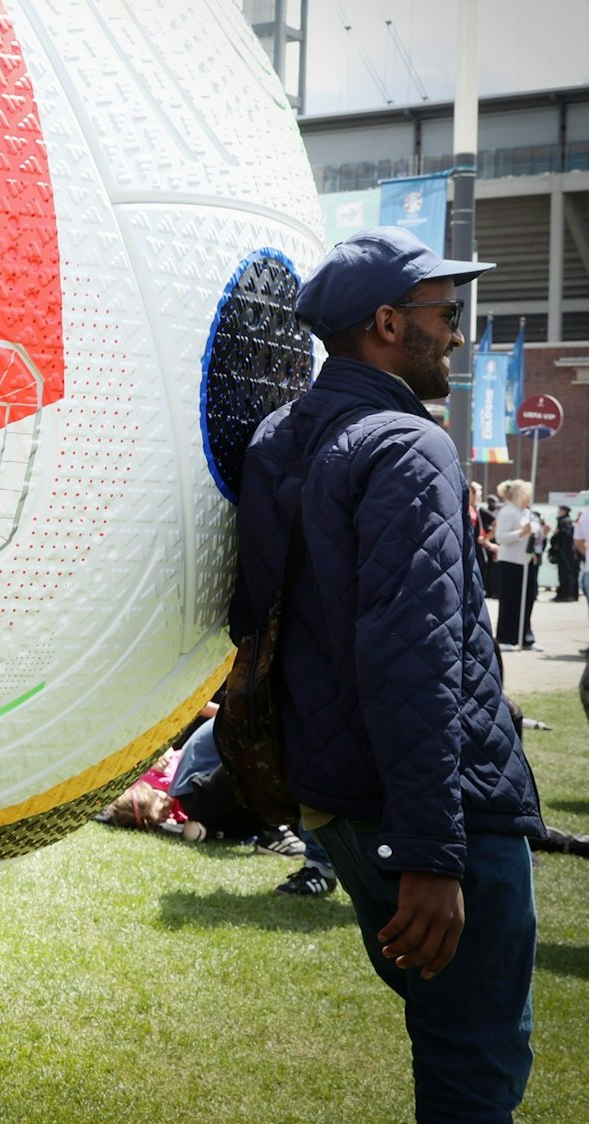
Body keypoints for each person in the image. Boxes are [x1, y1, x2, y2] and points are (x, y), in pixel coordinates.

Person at [236, 226, 543, 1122]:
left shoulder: (276, 439)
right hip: (431, 817)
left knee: (455, 1038)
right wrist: (429, 853)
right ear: (384, 323)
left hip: (336, 798)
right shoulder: (409, 449)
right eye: (446, 314)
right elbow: (412, 661)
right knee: (474, 1063)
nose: (456, 334)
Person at [492, 479, 537, 649]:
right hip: (511, 562)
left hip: (526, 561)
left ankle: (524, 636)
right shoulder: (508, 512)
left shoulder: (525, 512)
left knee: (527, 600)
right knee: (510, 600)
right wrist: (521, 533)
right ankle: (505, 637)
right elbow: (501, 538)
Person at [550, 504, 577, 601]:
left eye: (560, 510)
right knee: (563, 573)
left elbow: (566, 535)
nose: (558, 512)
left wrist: (556, 535)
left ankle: (565, 595)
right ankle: (563, 594)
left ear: (564, 511)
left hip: (565, 551)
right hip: (563, 551)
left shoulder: (565, 521)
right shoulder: (563, 521)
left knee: (565, 573)